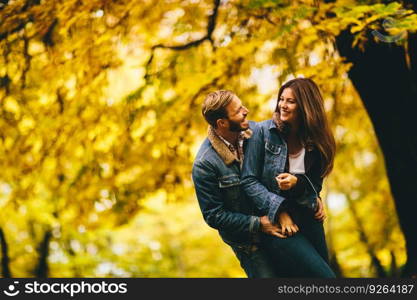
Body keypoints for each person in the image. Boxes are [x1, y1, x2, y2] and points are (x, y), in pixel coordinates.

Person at [192, 90, 297, 277]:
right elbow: (214, 215)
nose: (246, 111)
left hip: (279, 224)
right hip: (249, 244)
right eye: (238, 110)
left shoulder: (258, 133)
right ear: (222, 123)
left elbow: (291, 162)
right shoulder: (204, 164)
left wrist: (312, 194)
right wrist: (258, 224)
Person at [242, 77, 336, 277]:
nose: (282, 105)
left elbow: (314, 184)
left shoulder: (316, 140)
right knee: (325, 277)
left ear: (305, 106)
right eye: (281, 99)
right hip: (279, 222)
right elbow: (248, 181)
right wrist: (281, 210)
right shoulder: (261, 132)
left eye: (290, 101)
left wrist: (299, 185)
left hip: (309, 217)